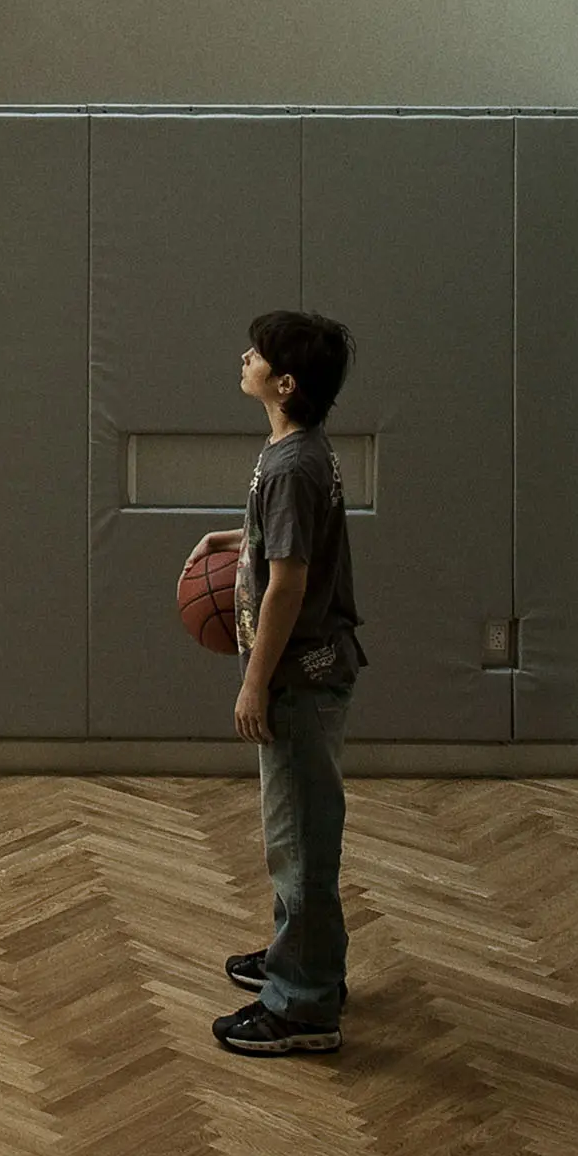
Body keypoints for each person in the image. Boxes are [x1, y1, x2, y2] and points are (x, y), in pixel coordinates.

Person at [183, 310, 364, 1058]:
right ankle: (305, 960)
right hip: (306, 673)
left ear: (284, 382)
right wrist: (238, 538)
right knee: (298, 836)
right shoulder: (297, 448)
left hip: (298, 677)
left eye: (256, 353)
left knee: (300, 843)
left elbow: (289, 583)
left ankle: (304, 1005)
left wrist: (254, 684)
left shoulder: (292, 466)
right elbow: (289, 545)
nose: (244, 356)